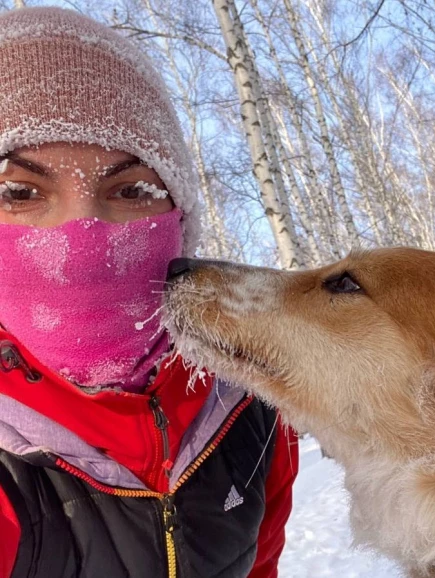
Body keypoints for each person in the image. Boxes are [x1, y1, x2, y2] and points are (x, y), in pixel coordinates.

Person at [0, 7, 298, 578]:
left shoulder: (250, 406)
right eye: (21, 191)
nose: (81, 245)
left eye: (132, 189)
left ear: (181, 218)